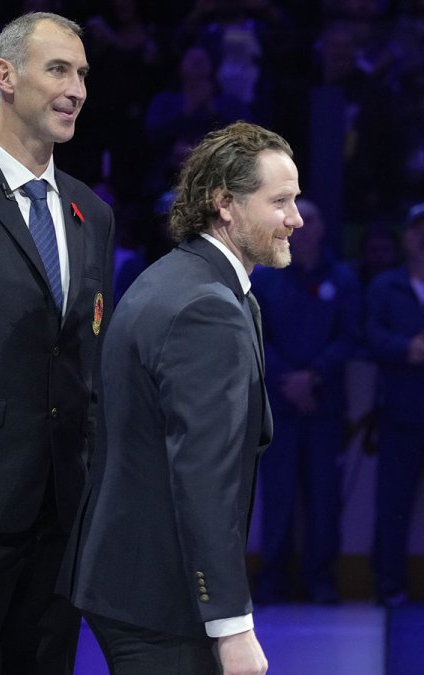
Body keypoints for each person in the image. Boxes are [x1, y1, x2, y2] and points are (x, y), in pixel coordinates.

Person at [64, 122, 302, 675]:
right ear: (225, 204)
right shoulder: (206, 308)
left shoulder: (183, 280)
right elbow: (203, 475)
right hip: (161, 598)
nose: (296, 219)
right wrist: (231, 624)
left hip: (136, 582)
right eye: (281, 202)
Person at [0, 12, 115, 675]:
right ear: (4, 77)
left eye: (83, 74)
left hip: (62, 513)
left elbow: (88, 364)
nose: (76, 88)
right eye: (59, 69)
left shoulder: (90, 212)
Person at [252, 197, 361, 605]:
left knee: (322, 498)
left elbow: (350, 336)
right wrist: (288, 379)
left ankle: (320, 579)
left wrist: (313, 376)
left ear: (322, 228)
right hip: (279, 407)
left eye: (311, 220)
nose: (302, 225)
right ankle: (272, 579)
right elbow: (257, 335)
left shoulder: (343, 278)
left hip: (325, 405)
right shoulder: (265, 277)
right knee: (277, 496)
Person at [367, 203, 424, 607]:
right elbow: (368, 332)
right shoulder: (384, 285)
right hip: (398, 413)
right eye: (417, 230)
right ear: (405, 238)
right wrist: (405, 348)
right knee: (392, 506)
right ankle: (390, 585)